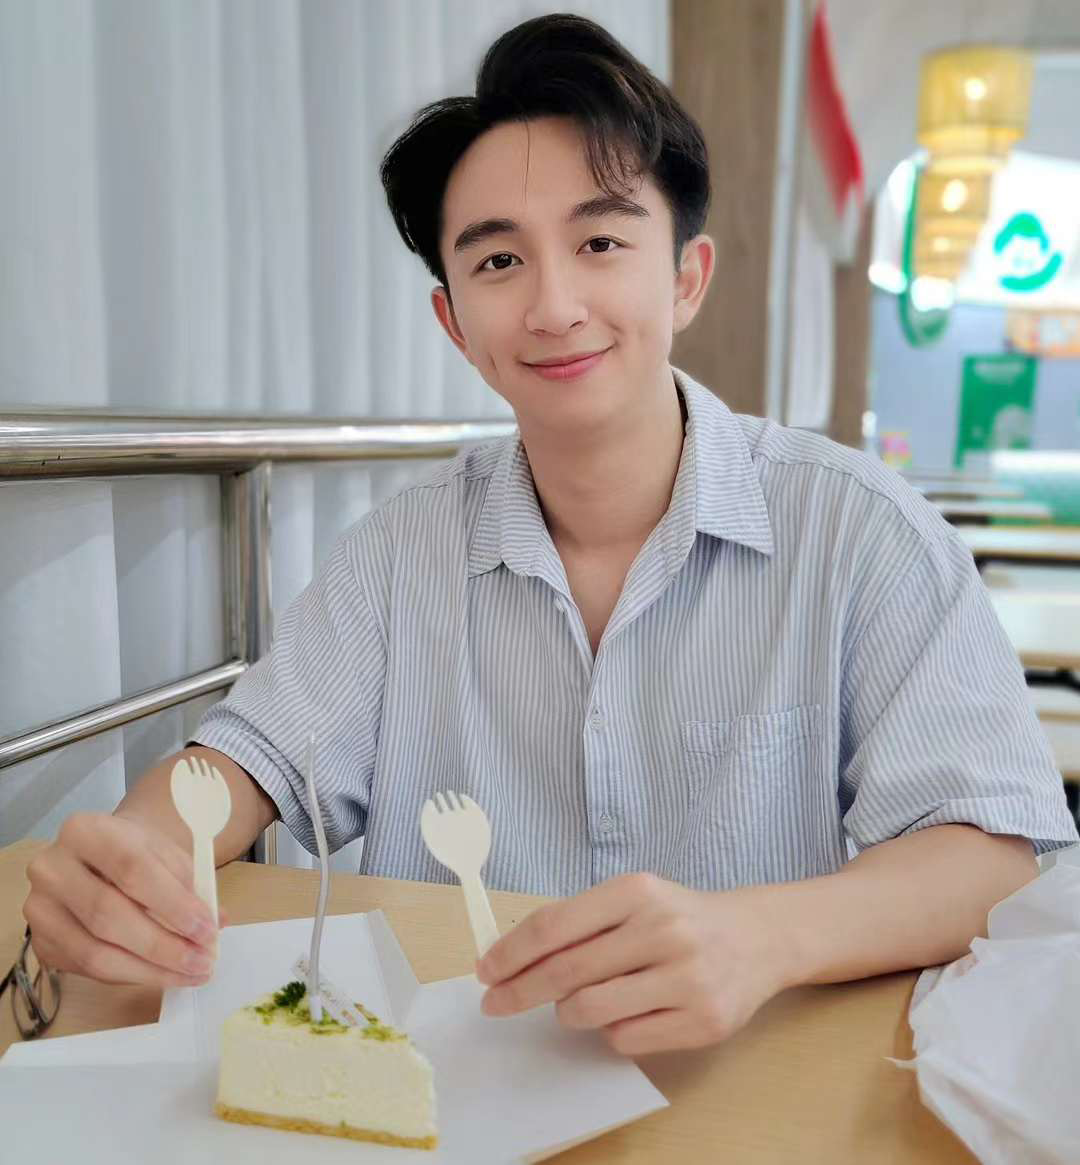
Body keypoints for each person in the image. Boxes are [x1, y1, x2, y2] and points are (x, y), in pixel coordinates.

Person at [23, 14, 1077, 1056]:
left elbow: (993, 852)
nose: (555, 305)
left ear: (687, 277)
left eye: (600, 242)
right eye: (498, 262)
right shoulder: (398, 555)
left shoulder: (859, 531)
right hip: (455, 1088)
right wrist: (138, 859)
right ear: (455, 324)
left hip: (741, 1081)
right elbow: (244, 761)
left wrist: (758, 936)